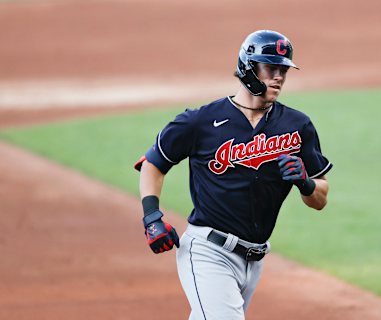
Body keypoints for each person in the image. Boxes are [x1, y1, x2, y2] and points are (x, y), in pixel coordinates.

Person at [134, 29, 333, 320]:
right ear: (248, 68)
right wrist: (152, 217)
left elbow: (320, 198)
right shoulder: (199, 121)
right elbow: (153, 163)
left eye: (284, 71)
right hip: (208, 251)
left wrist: (305, 183)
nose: (279, 77)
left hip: (255, 260)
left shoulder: (297, 126)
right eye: (271, 68)